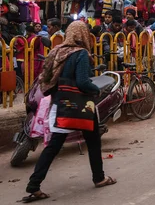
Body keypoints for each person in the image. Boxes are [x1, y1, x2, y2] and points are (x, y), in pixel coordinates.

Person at [22, 21, 116, 202]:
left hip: (60, 104)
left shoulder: (57, 51)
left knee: (53, 147)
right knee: (93, 141)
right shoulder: (80, 54)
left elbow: (47, 78)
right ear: (82, 35)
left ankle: (34, 185)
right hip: (80, 106)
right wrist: (96, 89)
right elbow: (82, 81)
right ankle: (99, 178)